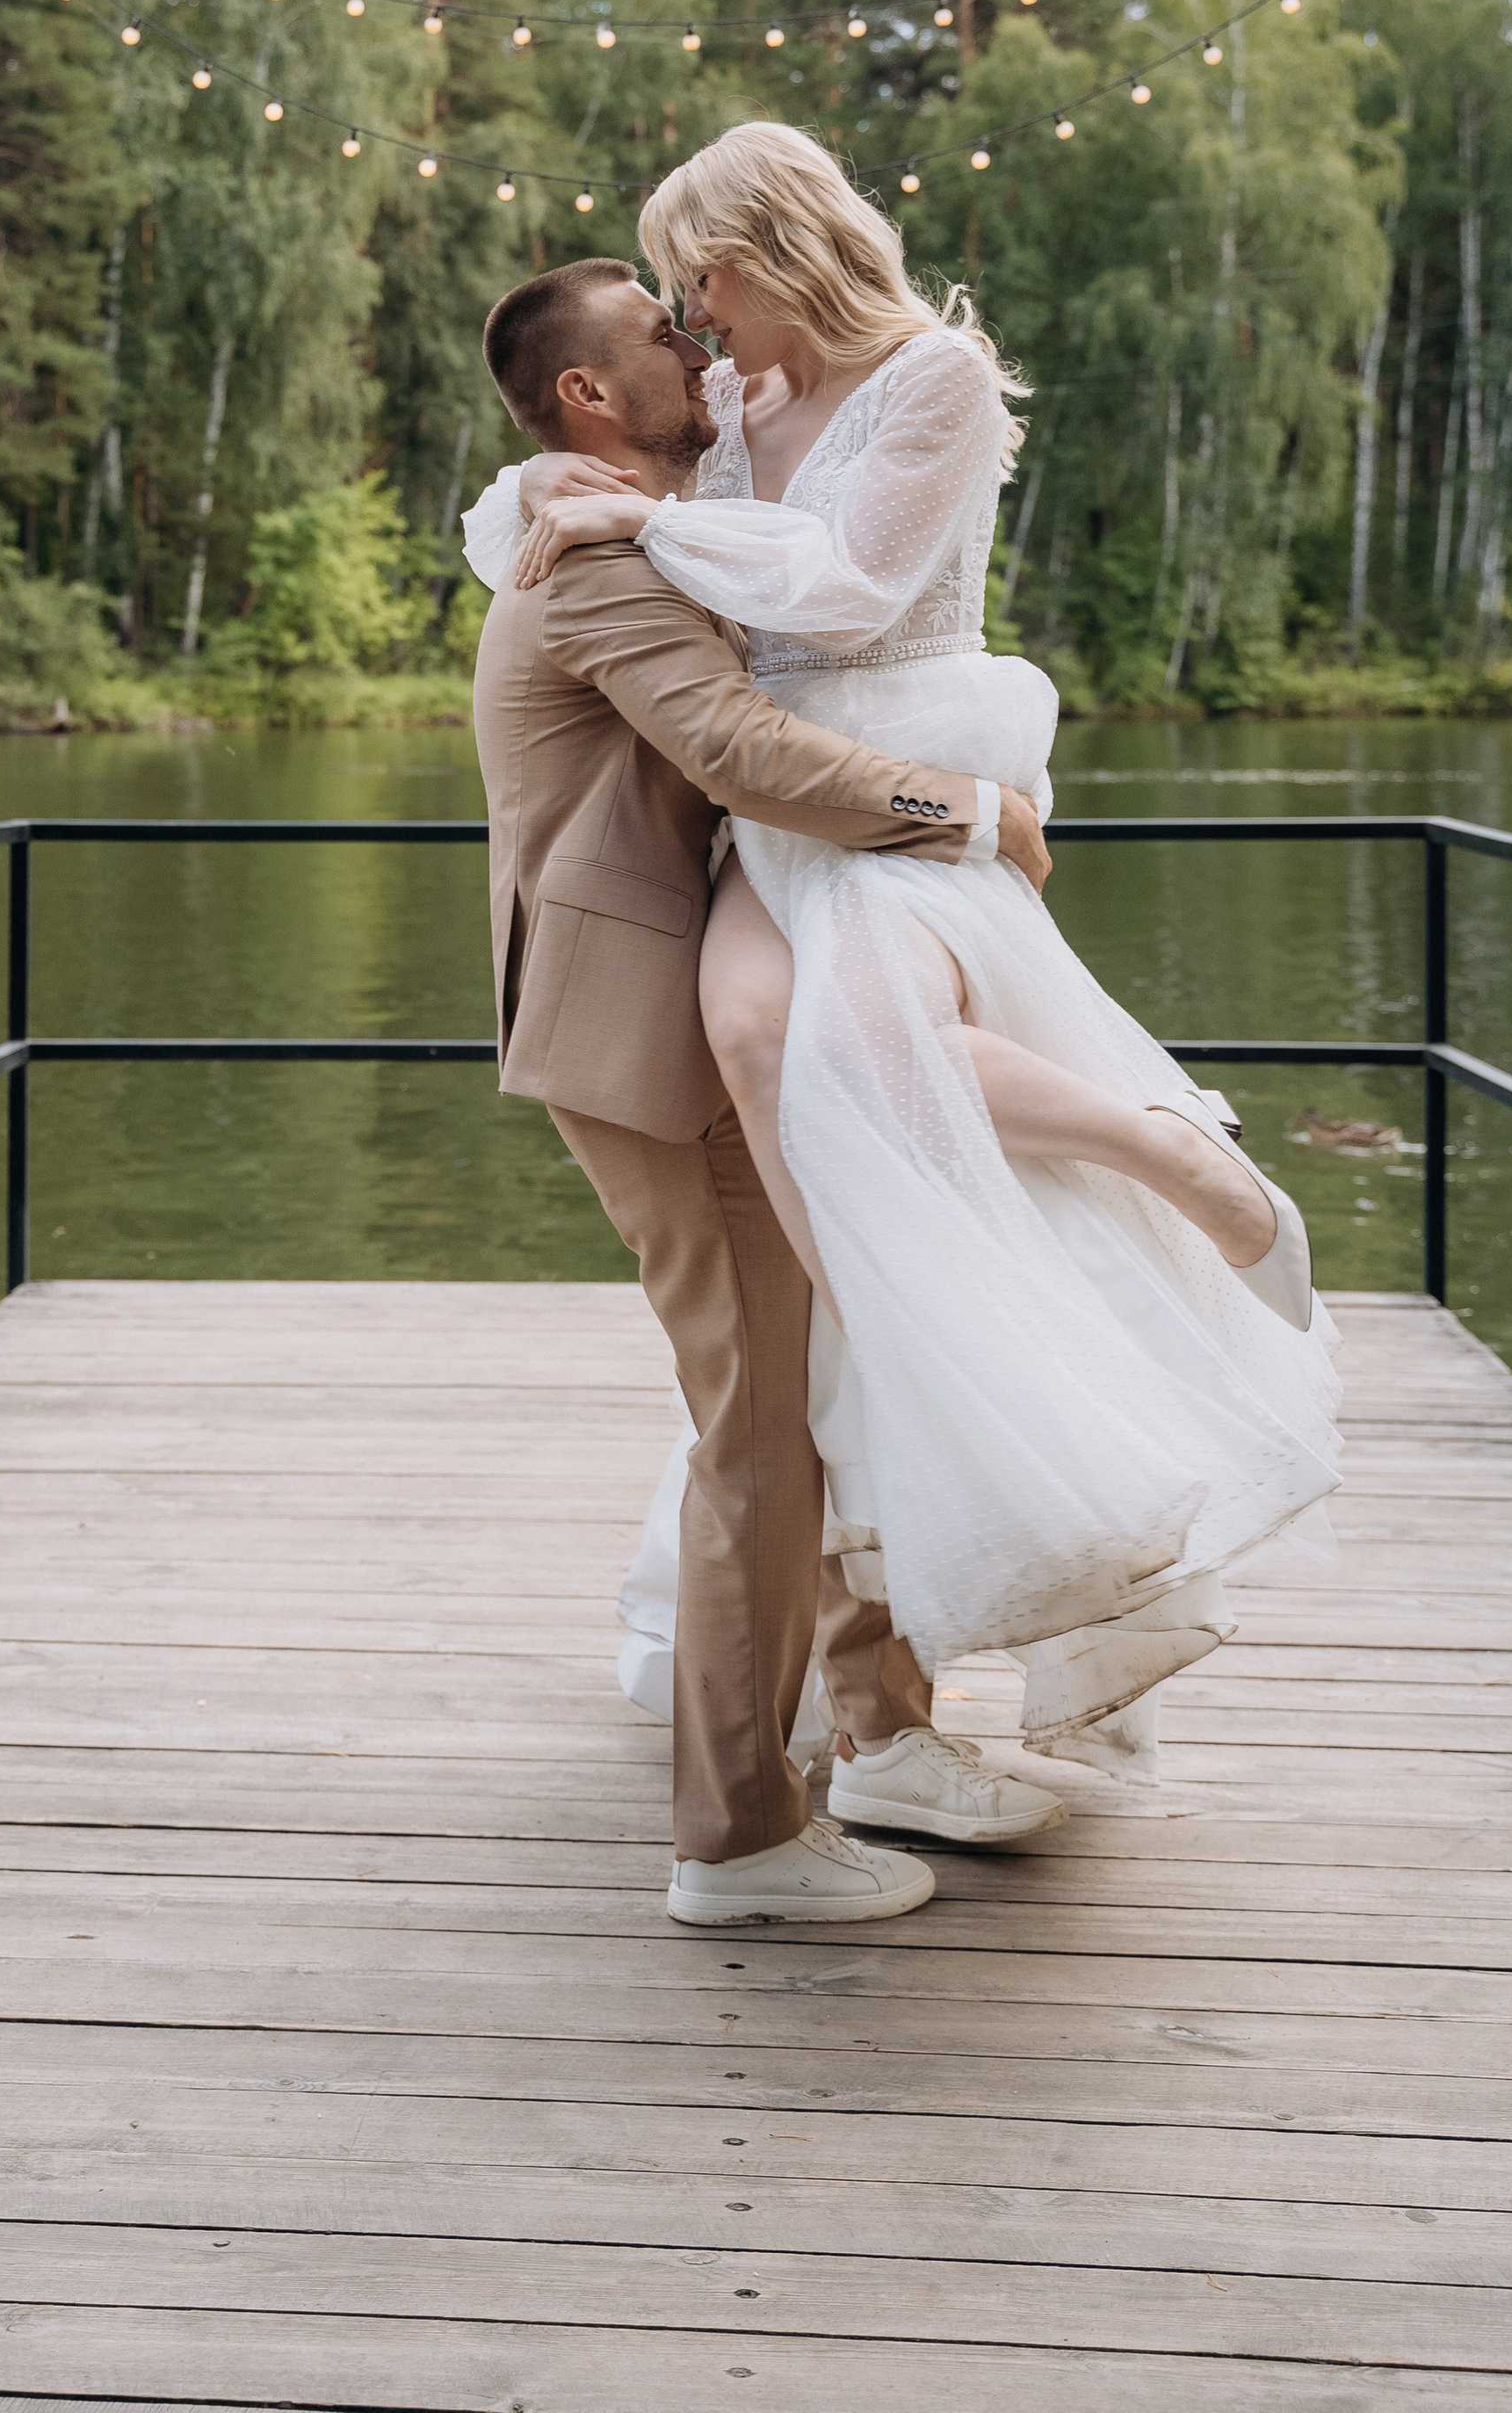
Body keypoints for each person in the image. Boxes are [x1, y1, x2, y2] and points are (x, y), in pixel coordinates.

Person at [467, 129, 1341, 1786]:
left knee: (871, 1059)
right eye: (673, 307)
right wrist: (560, 490)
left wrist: (632, 528)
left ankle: (1176, 1158)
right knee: (752, 1037)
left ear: (777, 246)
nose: (693, 319)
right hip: (779, 815)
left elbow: (853, 589)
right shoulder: (725, 412)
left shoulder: (929, 376)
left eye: (700, 281)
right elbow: (561, 494)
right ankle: (869, 1455)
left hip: (893, 773)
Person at [469, 253, 1063, 1929]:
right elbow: (738, 750)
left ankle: (880, 1730)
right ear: (588, 394)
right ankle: (737, 1837)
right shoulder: (582, 562)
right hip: (651, 1032)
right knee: (758, 1428)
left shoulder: (640, 513)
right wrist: (971, 811)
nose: (697, 338)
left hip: (730, 1010)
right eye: (662, 332)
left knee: (824, 1382)